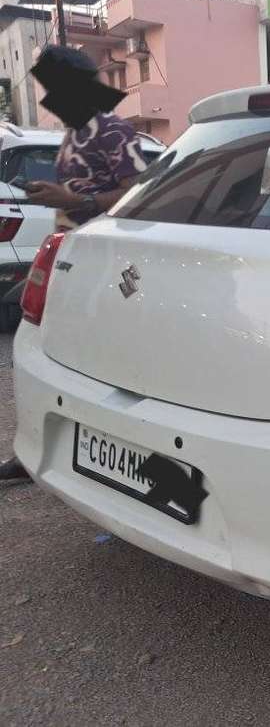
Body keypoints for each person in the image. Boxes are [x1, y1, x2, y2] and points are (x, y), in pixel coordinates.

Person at [0, 46, 147, 482]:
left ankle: (115, 455)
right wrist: (55, 195)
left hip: (106, 262)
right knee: (53, 355)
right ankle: (38, 444)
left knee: (97, 361)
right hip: (70, 255)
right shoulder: (74, 132)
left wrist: (76, 200)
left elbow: (138, 193)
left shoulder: (113, 130)